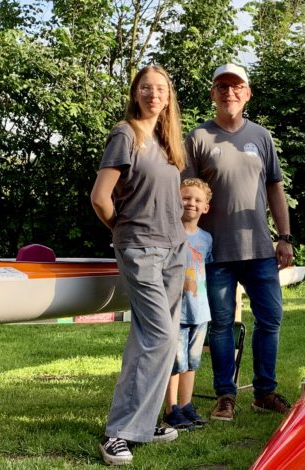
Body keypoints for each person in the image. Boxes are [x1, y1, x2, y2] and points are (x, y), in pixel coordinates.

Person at [183, 63, 294, 421]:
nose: (229, 92)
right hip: (214, 252)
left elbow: (275, 187)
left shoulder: (261, 137)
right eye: (222, 86)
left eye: (237, 86)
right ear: (213, 93)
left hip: (260, 249)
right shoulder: (198, 138)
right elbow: (185, 194)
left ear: (247, 93)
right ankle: (225, 396)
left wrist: (285, 236)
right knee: (219, 324)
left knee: (270, 319)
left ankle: (265, 392)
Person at [91, 64, 188, 466]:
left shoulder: (169, 142)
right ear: (136, 93)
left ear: (169, 96)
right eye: (146, 88)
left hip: (174, 249)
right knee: (160, 338)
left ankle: (143, 423)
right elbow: (100, 197)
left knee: (147, 338)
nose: (153, 94)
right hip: (141, 249)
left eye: (160, 89)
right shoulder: (125, 134)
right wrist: (124, 231)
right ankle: (118, 433)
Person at [162, 178, 213, 430]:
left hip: (200, 311)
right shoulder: (168, 235)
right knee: (175, 361)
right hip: (175, 312)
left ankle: (186, 404)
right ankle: (171, 408)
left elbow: (206, 270)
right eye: (185, 198)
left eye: (197, 200)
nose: (190, 203)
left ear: (205, 208)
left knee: (192, 361)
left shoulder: (206, 239)